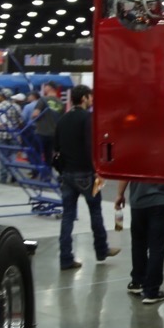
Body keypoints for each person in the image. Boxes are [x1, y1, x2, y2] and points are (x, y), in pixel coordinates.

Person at [53, 84, 117, 270]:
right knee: (95, 211)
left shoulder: (62, 120)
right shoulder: (87, 119)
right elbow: (91, 145)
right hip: (86, 174)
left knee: (68, 216)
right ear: (84, 99)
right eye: (90, 97)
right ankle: (101, 249)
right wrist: (97, 169)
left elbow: (56, 147)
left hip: (67, 174)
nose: (92, 100)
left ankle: (66, 258)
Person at [115, 181, 164, 304]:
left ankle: (137, 281)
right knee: (157, 247)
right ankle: (151, 291)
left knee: (138, 243)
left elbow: (125, 174)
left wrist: (120, 193)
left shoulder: (133, 159)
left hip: (138, 201)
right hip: (161, 200)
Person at [32, 81, 65, 168]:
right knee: (48, 156)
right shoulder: (60, 103)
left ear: (50, 88)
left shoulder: (43, 100)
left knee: (36, 154)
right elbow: (62, 120)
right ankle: (47, 176)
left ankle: (37, 172)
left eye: (46, 86)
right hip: (53, 134)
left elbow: (35, 114)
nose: (44, 88)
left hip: (41, 132)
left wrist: (35, 118)